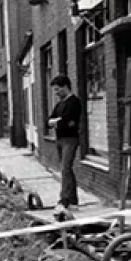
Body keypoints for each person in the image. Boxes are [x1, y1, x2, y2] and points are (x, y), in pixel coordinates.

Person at [47, 75, 82, 212]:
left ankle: (64, 199)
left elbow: (69, 122)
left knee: (65, 168)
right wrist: (57, 121)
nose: (55, 93)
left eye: (57, 89)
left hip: (70, 139)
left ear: (65, 87)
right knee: (66, 169)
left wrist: (57, 122)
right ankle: (73, 199)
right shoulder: (59, 104)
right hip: (60, 139)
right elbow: (49, 121)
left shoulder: (74, 102)